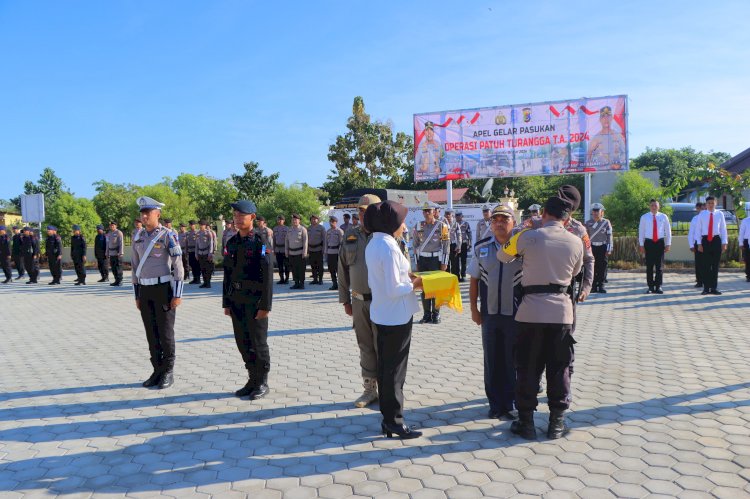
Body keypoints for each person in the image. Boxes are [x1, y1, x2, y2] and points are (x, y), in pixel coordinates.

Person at [498, 194, 584, 440]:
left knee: (527, 368)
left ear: (543, 213)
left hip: (530, 313)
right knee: (560, 368)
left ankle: (526, 422)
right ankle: (556, 423)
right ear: (567, 219)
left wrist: (526, 235)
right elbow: (576, 271)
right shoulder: (576, 241)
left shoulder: (527, 237)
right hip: (561, 313)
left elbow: (502, 256)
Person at [364, 200, 424, 439]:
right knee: (394, 372)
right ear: (391, 224)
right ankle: (394, 421)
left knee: (388, 368)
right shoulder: (387, 246)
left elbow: (386, 278)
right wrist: (416, 283)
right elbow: (393, 288)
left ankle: (389, 419)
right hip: (395, 315)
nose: (403, 225)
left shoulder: (375, 242)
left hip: (384, 313)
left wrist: (406, 276)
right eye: (401, 221)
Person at [468, 205, 523, 421]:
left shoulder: (522, 247)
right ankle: (495, 405)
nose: (499, 222)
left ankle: (509, 404)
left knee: (512, 360)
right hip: (489, 314)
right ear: (491, 223)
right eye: (496, 219)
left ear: (513, 222)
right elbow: (474, 279)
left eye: (504, 219)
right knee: (491, 360)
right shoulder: (481, 247)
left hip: (515, 314)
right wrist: (474, 308)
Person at [132, 196, 184, 390]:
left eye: (148, 213)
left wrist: (177, 294)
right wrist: (137, 295)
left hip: (164, 290)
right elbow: (135, 268)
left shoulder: (168, 235)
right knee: (151, 333)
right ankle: (157, 370)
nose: (144, 216)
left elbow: (178, 266)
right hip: (145, 290)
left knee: (165, 333)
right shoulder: (138, 236)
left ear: (158, 214)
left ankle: (168, 371)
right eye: (142, 213)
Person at [223, 200, 273, 400]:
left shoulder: (260, 242)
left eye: (241, 215)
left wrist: (265, 305)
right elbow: (227, 274)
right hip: (236, 299)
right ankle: (252, 379)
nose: (237, 219)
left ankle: (262, 381)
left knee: (258, 343)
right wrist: (226, 302)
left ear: (252, 217)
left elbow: (268, 276)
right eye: (235, 215)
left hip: (255, 301)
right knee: (243, 342)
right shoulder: (232, 242)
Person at [338, 194, 382, 408]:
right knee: (365, 345)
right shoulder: (350, 236)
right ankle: (369, 390)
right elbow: (342, 270)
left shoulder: (386, 235)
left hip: (383, 302)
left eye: (368, 210)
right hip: (358, 302)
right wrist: (345, 299)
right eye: (361, 211)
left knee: (382, 345)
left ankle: (388, 389)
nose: (363, 214)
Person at [412, 202, 449, 324]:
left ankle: (436, 314)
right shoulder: (418, 226)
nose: (427, 213)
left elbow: (446, 246)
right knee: (425, 289)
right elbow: (415, 245)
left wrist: (444, 262)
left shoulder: (441, 226)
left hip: (435, 261)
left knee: (436, 288)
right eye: (425, 211)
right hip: (423, 260)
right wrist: (417, 262)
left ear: (434, 212)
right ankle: (426, 314)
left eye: (429, 211)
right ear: (422, 213)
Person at [696, 196, 728, 295]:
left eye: (712, 203)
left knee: (715, 266)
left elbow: (723, 228)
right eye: (708, 203)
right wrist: (699, 243)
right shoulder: (702, 214)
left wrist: (724, 242)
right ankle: (706, 288)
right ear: (706, 204)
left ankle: (714, 288)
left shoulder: (720, 214)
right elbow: (698, 230)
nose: (710, 205)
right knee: (706, 265)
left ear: (716, 203)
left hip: (716, 240)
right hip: (705, 240)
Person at [638, 200, 671, 294]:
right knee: (649, 266)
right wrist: (641, 244)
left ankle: (658, 286)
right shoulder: (644, 217)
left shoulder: (663, 217)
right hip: (649, 243)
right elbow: (641, 232)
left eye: (655, 205)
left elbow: (668, 231)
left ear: (659, 206)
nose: (654, 207)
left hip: (659, 243)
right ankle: (650, 287)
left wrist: (668, 243)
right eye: (652, 205)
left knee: (659, 266)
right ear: (649, 206)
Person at [585, 203, 613, 293]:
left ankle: (601, 285)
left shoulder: (606, 222)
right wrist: (586, 249)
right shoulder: (588, 223)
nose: (596, 213)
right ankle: (593, 286)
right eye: (594, 211)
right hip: (592, 247)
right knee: (592, 267)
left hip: (603, 247)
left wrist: (609, 248)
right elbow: (586, 237)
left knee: (602, 267)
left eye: (598, 211)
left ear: (602, 212)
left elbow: (609, 236)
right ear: (592, 213)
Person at [286, 214, 308, 289]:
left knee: (301, 269)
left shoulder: (303, 229)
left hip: (300, 253)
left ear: (299, 221)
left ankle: (301, 284)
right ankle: (296, 283)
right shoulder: (289, 230)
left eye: (296, 219)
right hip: (291, 253)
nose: (294, 221)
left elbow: (305, 242)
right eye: (293, 220)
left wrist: (304, 252)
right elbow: (286, 241)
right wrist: (286, 251)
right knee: (294, 269)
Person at [688, 202, 705, 289]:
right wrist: (691, 244)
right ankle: (699, 281)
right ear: (697, 209)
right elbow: (691, 232)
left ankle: (707, 280)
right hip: (697, 242)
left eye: (703, 208)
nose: (701, 210)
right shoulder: (695, 219)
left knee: (707, 262)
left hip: (707, 242)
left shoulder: (708, 217)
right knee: (698, 263)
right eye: (699, 209)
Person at [325, 216, 344, 290]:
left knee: (339, 270)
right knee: (331, 269)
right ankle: (334, 284)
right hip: (330, 252)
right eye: (330, 221)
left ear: (336, 222)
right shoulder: (328, 231)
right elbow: (326, 242)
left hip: (337, 253)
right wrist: (325, 252)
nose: (331, 223)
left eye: (333, 222)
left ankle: (341, 285)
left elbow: (341, 243)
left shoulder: (339, 231)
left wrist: (340, 253)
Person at [307, 215, 326, 285]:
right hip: (311, 249)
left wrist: (324, 249)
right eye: (312, 219)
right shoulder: (308, 228)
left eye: (315, 219)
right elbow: (307, 240)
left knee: (320, 265)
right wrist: (307, 249)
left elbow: (324, 239)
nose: (314, 220)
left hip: (319, 249)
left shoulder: (321, 228)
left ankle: (320, 280)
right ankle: (315, 279)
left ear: (318, 220)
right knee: (313, 265)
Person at [196, 220, 215, 288]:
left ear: (205, 225)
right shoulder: (197, 233)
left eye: (202, 225)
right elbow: (196, 245)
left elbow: (211, 244)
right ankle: (204, 282)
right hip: (200, 253)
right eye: (200, 225)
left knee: (208, 269)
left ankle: (208, 283)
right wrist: (196, 254)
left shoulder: (208, 233)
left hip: (206, 253)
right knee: (202, 268)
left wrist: (210, 254)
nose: (200, 226)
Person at [445, 210, 462, 279]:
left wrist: (459, 246)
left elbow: (459, 235)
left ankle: (456, 278)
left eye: (449, 215)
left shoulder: (456, 224)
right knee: (446, 262)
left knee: (455, 262)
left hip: (453, 245)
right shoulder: (442, 224)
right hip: (445, 246)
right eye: (446, 215)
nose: (448, 217)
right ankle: (447, 278)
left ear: (452, 216)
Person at [106, 221, 125, 286]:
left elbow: (121, 243)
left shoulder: (119, 233)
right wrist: (107, 253)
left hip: (117, 253)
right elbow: (107, 244)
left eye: (113, 225)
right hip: (111, 253)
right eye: (111, 225)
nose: (112, 226)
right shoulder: (109, 234)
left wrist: (121, 252)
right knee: (113, 268)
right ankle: (116, 280)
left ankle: (120, 281)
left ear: (116, 226)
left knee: (118, 268)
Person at [273, 215, 290, 284]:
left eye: (281, 220)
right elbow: (274, 240)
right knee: (279, 265)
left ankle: (287, 279)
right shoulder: (275, 229)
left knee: (286, 265)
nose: (279, 221)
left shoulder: (287, 228)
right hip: (278, 249)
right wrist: (274, 249)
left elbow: (289, 240)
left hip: (285, 249)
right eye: (278, 220)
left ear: (284, 221)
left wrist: (288, 249)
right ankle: (281, 279)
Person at [456, 212, 472, 281]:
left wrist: (470, 244)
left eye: (459, 216)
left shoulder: (466, 224)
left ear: (462, 216)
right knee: (455, 261)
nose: (458, 217)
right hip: (456, 245)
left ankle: (463, 275)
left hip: (464, 244)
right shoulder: (453, 224)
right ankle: (457, 275)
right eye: (457, 216)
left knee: (463, 261)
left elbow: (469, 234)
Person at [740, 213, 750, 283]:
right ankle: (748, 276)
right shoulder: (745, 221)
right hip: (747, 242)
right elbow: (741, 233)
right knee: (748, 259)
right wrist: (741, 243)